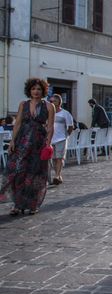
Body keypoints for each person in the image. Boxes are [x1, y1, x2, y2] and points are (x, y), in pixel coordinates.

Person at [1, 78, 55, 215]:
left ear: (43, 91)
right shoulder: (23, 104)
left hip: (38, 143)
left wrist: (48, 144)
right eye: (33, 89)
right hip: (22, 142)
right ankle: (17, 204)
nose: (36, 91)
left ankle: (32, 204)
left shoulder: (49, 106)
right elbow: (18, 123)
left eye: (38, 89)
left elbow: (50, 127)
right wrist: (12, 141)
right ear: (29, 90)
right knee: (18, 172)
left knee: (35, 174)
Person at [50, 94, 74, 185]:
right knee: (53, 159)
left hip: (61, 138)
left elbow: (71, 126)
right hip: (50, 139)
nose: (52, 103)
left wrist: (67, 135)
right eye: (51, 101)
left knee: (59, 158)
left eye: (54, 101)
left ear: (59, 102)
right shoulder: (49, 113)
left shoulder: (65, 113)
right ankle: (59, 176)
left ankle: (56, 175)